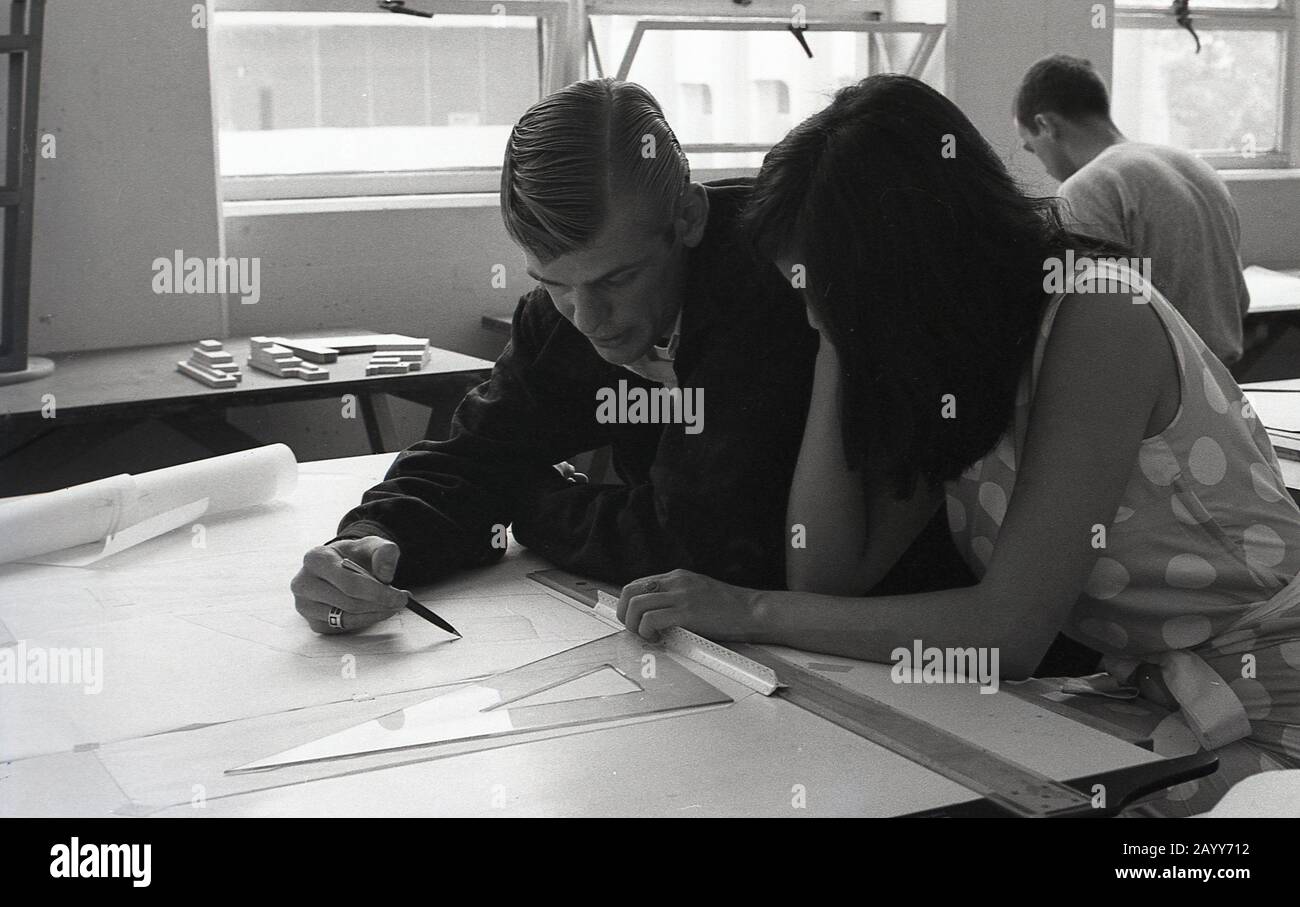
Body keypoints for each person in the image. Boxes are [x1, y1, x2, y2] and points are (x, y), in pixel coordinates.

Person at [615, 75, 1300, 816]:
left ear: (908, 272)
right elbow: (826, 576)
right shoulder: (951, 361)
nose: (812, 314)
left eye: (828, 295)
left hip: (1272, 711)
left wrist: (747, 608)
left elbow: (1008, 632)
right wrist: (833, 345)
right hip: (1157, 699)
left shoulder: (1098, 316)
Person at [290, 78, 971, 636]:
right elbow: (474, 454)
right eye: (552, 283)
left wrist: (530, 500)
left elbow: (709, 545)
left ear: (691, 219)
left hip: (908, 639)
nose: (588, 319)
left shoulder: (775, 282)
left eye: (615, 281)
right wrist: (376, 541)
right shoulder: (562, 314)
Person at [1014, 54, 1251, 366]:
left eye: (1031, 146)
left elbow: (1093, 317)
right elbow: (1239, 300)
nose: (1042, 165)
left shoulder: (1088, 186)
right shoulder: (1196, 168)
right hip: (1222, 379)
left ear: (1047, 125)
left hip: (1161, 383)